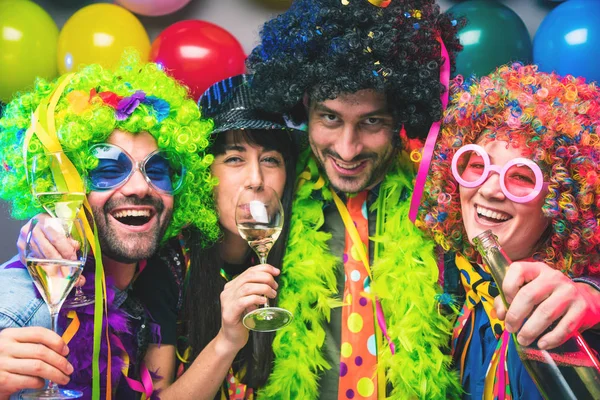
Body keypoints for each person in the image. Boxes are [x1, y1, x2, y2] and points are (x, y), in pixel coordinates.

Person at [245, 0, 465, 398]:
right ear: (304, 107)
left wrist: (590, 290)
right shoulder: (272, 188)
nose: (347, 150)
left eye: (371, 121)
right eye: (330, 117)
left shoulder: (444, 201)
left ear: (401, 118)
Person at [0, 54, 217, 398]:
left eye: (157, 170)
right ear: (65, 189)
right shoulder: (28, 311)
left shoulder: (156, 276)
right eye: (106, 169)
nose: (139, 187)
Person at [417, 63, 600, 399]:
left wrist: (591, 296)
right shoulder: (437, 274)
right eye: (477, 164)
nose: (489, 189)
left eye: (521, 177)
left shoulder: (572, 312)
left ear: (561, 202)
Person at [131, 74, 300, 399]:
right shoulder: (166, 268)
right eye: (235, 159)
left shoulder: (302, 254)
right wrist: (227, 339)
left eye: (270, 160)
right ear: (204, 174)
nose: (256, 180)